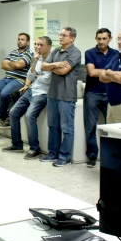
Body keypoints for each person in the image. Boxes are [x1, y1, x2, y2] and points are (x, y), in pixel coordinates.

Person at [1, 36, 52, 159]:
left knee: (29, 115)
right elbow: (30, 74)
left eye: (40, 45)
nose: (37, 47)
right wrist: (34, 63)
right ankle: (17, 144)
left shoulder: (51, 59)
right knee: (13, 113)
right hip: (32, 90)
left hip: (42, 93)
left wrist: (38, 77)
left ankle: (35, 148)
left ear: (48, 47)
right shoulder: (37, 58)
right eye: (36, 44)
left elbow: (47, 79)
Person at [40, 27, 81, 167]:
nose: (61, 37)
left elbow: (64, 71)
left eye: (64, 35)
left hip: (66, 95)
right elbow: (42, 66)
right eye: (60, 34)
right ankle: (53, 153)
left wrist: (51, 67)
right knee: (53, 126)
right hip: (53, 94)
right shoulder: (56, 51)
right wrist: (55, 64)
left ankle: (64, 156)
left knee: (66, 128)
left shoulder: (75, 52)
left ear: (72, 38)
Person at [83, 28, 118, 167]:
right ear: (95, 38)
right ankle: (92, 156)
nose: (102, 41)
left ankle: (111, 156)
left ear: (110, 39)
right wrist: (111, 73)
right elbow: (91, 72)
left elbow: (120, 72)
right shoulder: (90, 53)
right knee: (90, 126)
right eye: (99, 38)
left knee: (112, 127)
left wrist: (104, 73)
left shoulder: (116, 54)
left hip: (110, 93)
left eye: (104, 38)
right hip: (93, 93)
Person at [0, 33, 33, 129]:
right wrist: (15, 65)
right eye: (18, 39)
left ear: (27, 42)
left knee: (4, 93)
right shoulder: (13, 52)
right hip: (7, 78)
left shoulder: (29, 53)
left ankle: (2, 116)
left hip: (19, 80)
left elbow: (18, 65)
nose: (20, 41)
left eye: (22, 39)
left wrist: (12, 64)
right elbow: (3, 65)